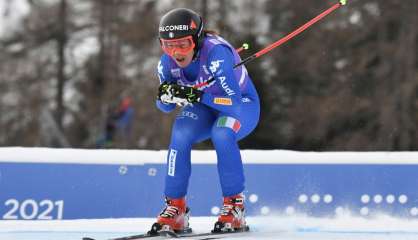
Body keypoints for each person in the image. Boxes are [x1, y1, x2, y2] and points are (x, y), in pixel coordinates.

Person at [150, 8, 260, 234]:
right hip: (206, 106)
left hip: (241, 106)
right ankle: (176, 208)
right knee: (180, 131)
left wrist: (196, 95)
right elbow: (164, 107)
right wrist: (166, 95)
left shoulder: (217, 55)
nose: (176, 52)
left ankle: (234, 206)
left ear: (197, 41)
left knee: (222, 133)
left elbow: (235, 103)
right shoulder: (166, 63)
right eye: (168, 45)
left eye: (183, 45)